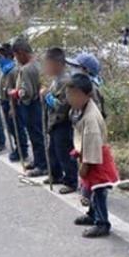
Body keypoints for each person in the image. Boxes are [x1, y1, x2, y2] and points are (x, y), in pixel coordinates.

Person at [68, 73, 119, 238]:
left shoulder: (90, 117)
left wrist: (84, 166)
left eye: (75, 94)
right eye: (70, 94)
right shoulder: (82, 109)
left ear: (87, 95)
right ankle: (92, 214)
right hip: (90, 155)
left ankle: (102, 223)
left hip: (96, 160)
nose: (71, 98)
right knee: (90, 189)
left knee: (98, 192)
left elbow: (92, 144)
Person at [41, 47, 78, 193]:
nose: (47, 68)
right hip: (53, 121)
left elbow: (63, 105)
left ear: (58, 64)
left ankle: (71, 181)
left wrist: (48, 97)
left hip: (63, 121)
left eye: (49, 64)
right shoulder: (55, 80)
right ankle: (55, 174)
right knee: (53, 150)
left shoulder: (66, 81)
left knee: (64, 151)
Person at [9, 37, 48, 177]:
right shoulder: (37, 64)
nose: (16, 58)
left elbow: (28, 92)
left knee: (36, 135)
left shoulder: (27, 69)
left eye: (16, 55)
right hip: (37, 105)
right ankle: (38, 161)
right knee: (37, 134)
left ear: (21, 53)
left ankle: (42, 165)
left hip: (31, 106)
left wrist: (16, 93)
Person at [0, 43, 29, 164]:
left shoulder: (13, 71)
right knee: (11, 128)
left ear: (9, 56)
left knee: (17, 127)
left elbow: (14, 89)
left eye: (1, 56)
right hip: (4, 101)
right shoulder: (4, 71)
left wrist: (12, 107)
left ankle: (22, 150)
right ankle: (17, 147)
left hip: (12, 104)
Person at [66, 52, 105, 118]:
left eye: (76, 66)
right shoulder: (82, 85)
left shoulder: (91, 89)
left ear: (86, 70)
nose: (72, 68)